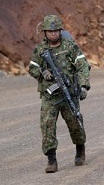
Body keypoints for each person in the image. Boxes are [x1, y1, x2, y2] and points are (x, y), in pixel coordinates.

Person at [28, 15, 91, 173]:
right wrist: (43, 72)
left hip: (68, 93)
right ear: (45, 32)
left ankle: (80, 149)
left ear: (60, 31)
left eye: (56, 31)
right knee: (47, 125)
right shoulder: (41, 49)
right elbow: (32, 68)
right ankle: (51, 159)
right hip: (50, 96)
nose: (53, 34)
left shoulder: (70, 46)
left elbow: (83, 65)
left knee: (75, 123)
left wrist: (84, 86)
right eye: (50, 31)